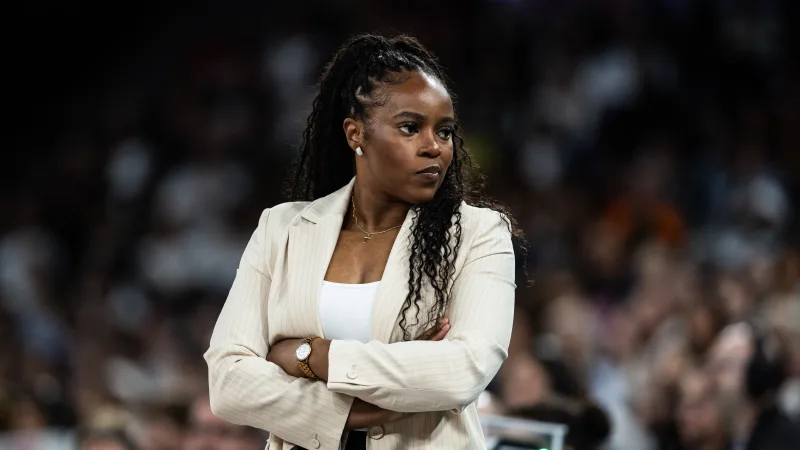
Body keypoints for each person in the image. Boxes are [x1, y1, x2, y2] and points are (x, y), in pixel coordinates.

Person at [204, 33, 520, 450]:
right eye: (411, 127)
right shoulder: (281, 228)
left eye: (444, 132)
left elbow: (465, 368)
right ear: (356, 134)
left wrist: (310, 355)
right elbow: (227, 381)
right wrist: (354, 413)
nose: (434, 148)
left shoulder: (479, 233)